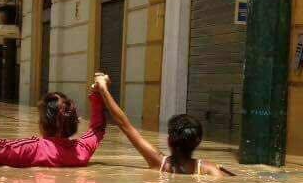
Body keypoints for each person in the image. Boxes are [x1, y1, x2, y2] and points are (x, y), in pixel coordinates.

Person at [92, 73, 226, 177]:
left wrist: (104, 89)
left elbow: (124, 125)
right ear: (198, 142)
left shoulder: (159, 162)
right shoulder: (210, 170)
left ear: (169, 140)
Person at [0, 86, 106, 168]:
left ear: (42, 123)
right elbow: (97, 129)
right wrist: (98, 96)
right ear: (75, 123)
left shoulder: (34, 148)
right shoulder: (81, 151)